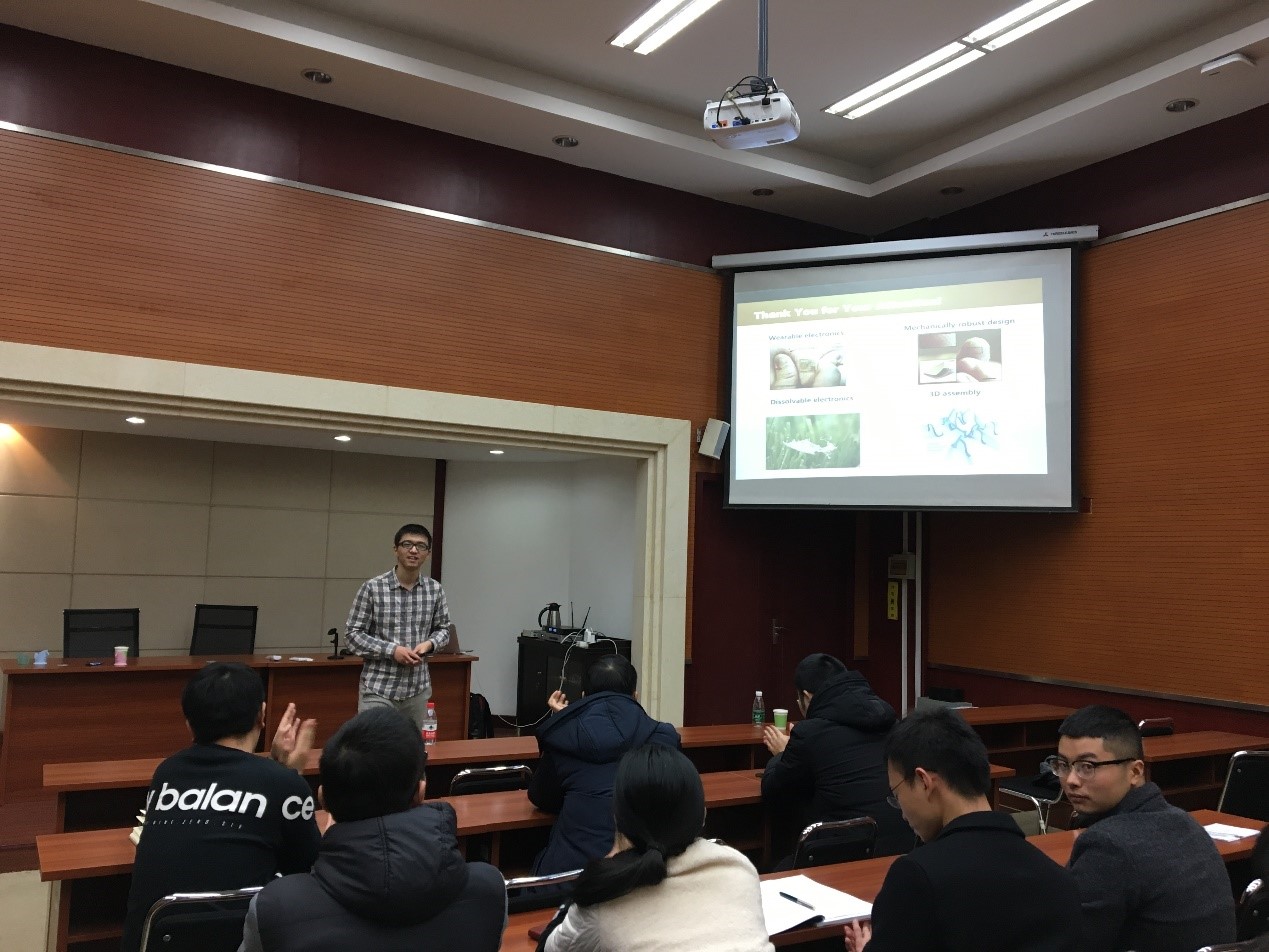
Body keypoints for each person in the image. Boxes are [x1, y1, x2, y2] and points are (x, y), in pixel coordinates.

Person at [237, 708, 506, 952]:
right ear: (421, 792)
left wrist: (287, 778)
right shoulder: (490, 892)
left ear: (322, 798)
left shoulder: (274, 910)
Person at [121, 662, 321, 952]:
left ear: (188, 724)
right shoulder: (284, 784)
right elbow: (306, 872)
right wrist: (290, 774)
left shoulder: (167, 772)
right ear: (261, 715)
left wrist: (279, 771)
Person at [844, 709, 1081, 952]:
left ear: (924, 782)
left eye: (897, 796)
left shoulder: (916, 877)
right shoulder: (1059, 879)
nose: (903, 813)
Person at [540, 744, 773, 952]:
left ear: (617, 819)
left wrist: (595, 882)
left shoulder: (604, 899)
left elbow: (548, 947)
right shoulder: (739, 867)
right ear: (702, 815)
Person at [1055, 704, 1236, 952]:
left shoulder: (1108, 845)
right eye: (1063, 765)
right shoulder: (1185, 822)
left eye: (1087, 767)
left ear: (1135, 771)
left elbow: (1070, 942)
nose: (1071, 780)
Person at [529, 654, 680, 875]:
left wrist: (568, 720)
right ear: (635, 696)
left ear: (583, 696)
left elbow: (542, 797)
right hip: (645, 873)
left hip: (573, 878)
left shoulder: (563, 738)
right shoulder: (665, 736)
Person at [761, 653, 911, 861]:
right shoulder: (890, 721)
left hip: (841, 850)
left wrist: (782, 754)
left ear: (807, 697)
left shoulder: (809, 733)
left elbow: (775, 791)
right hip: (902, 845)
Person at [346, 523, 451, 730]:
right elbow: (352, 635)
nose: (414, 550)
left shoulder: (435, 590)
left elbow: (444, 630)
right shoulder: (373, 588)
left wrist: (429, 644)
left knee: (413, 748)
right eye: (407, 544)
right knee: (374, 746)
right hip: (378, 689)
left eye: (421, 546)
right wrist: (392, 650)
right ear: (396, 549)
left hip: (418, 689)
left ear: (428, 553)